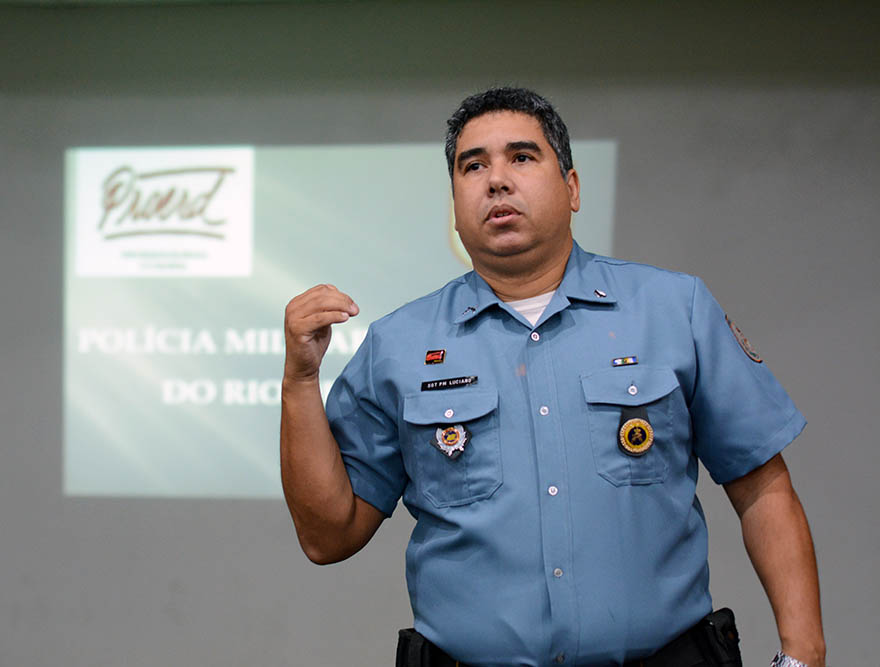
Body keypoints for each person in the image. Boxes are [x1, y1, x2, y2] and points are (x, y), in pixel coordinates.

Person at [280, 87, 825, 667]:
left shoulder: (673, 308)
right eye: (473, 166)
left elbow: (763, 490)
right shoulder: (398, 344)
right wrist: (299, 380)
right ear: (455, 200)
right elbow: (328, 536)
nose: (496, 180)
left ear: (572, 188)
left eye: (522, 157)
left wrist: (804, 654)